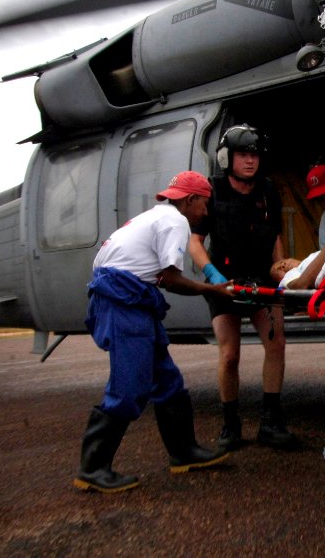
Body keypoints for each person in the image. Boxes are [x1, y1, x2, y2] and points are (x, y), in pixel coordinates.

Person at [76, 170, 234, 494]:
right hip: (124, 301)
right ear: (190, 200)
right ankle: (92, 468)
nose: (206, 212)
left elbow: (153, 276)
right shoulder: (176, 222)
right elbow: (170, 279)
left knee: (166, 381)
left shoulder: (153, 216)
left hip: (129, 298)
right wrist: (213, 289)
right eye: (204, 204)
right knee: (129, 386)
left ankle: (184, 452)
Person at [188, 124, 297, 450]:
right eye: (243, 155)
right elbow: (195, 241)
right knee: (230, 355)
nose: (250, 161)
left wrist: (280, 273)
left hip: (262, 282)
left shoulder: (268, 191)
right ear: (227, 157)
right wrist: (212, 274)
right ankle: (230, 425)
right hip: (226, 283)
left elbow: (275, 236)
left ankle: (270, 422)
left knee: (276, 346)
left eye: (254, 155)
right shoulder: (213, 190)